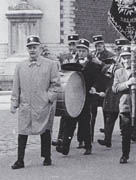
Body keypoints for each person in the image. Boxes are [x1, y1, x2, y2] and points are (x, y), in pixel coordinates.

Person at [10, 35, 60, 169]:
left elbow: (55, 84)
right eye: (30, 48)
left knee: (45, 130)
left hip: (42, 104)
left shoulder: (50, 65)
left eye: (35, 47)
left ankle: (47, 157)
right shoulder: (20, 66)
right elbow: (16, 86)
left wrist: (49, 98)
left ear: (40, 48)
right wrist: (14, 103)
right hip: (26, 104)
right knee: (22, 132)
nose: (32, 50)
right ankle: (20, 160)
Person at [56, 39, 106, 156]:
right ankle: (65, 147)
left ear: (88, 52)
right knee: (69, 122)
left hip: (86, 97)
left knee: (84, 123)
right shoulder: (73, 64)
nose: (81, 53)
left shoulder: (93, 65)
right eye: (79, 50)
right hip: (73, 96)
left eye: (83, 51)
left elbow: (98, 80)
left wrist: (94, 87)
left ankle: (88, 146)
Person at [98, 38, 129, 148]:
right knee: (111, 116)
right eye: (118, 49)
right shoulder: (114, 60)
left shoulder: (128, 59)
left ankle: (132, 135)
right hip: (113, 91)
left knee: (125, 118)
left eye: (121, 48)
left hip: (124, 93)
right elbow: (105, 72)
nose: (119, 51)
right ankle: (107, 140)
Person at [52, 34, 80, 148]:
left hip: (78, 88)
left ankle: (68, 142)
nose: (72, 47)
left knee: (73, 118)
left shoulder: (83, 55)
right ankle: (60, 139)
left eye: (74, 44)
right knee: (65, 115)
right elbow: (58, 68)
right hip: (67, 89)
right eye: (70, 44)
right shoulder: (64, 56)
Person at [90, 35, 116, 140]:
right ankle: (90, 137)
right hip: (95, 87)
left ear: (103, 44)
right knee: (92, 113)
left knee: (107, 112)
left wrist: (100, 63)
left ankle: (107, 137)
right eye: (96, 45)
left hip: (105, 86)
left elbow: (110, 70)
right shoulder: (93, 54)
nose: (98, 47)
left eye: (100, 45)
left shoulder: (110, 55)